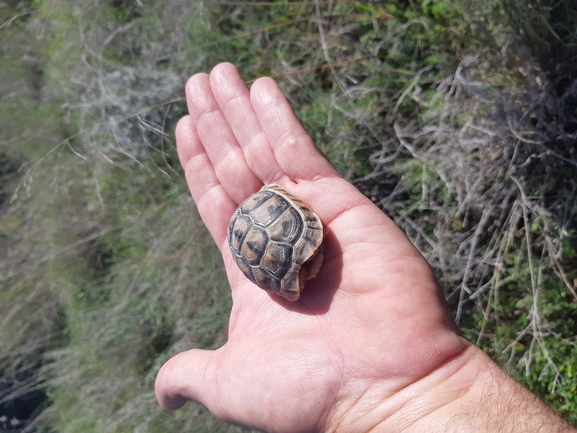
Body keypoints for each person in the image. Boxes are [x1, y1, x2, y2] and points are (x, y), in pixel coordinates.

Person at [155, 63, 575, 432]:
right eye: (304, 268)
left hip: (277, 222)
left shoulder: (312, 246)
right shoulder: (292, 277)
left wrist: (417, 394)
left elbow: (309, 242)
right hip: (263, 234)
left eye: (309, 261)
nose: (312, 266)